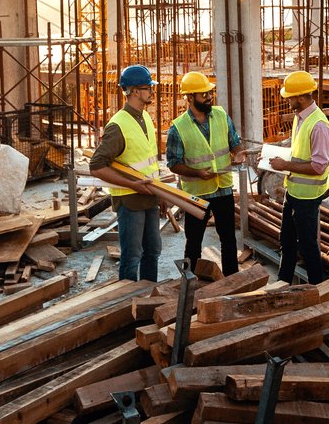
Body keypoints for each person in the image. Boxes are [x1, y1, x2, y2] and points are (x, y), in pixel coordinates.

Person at [165, 71, 253, 275]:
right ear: (189, 97)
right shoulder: (178, 128)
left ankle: (231, 280)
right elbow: (173, 164)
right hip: (197, 193)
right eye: (203, 94)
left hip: (222, 188)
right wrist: (196, 173)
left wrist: (239, 153)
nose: (209, 97)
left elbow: (235, 143)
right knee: (194, 242)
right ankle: (189, 282)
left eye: (209, 93)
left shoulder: (221, 116)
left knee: (229, 240)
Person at [90, 63, 164, 282]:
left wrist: (160, 194)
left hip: (150, 196)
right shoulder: (118, 125)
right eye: (147, 87)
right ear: (133, 91)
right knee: (132, 256)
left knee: (153, 252)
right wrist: (133, 185)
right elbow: (96, 166)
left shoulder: (145, 118)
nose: (151, 91)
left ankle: (148, 298)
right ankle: (126, 305)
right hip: (130, 200)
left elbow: (149, 162)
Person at [266, 70, 329, 284]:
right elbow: (300, 151)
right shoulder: (300, 118)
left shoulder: (319, 125)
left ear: (302, 97)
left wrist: (285, 165)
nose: (287, 99)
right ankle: (283, 282)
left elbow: (319, 166)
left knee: (307, 245)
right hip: (293, 191)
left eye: (290, 96)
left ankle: (317, 287)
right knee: (286, 240)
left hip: (308, 196)